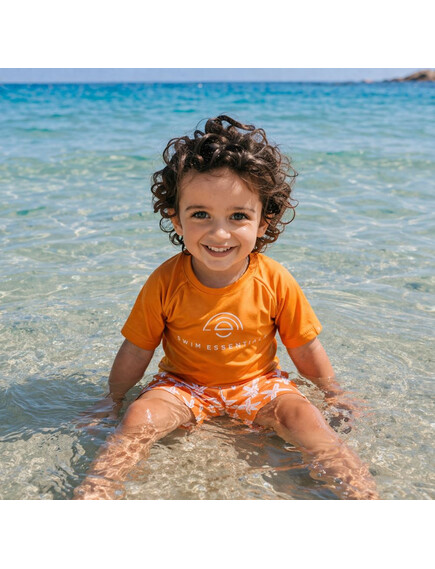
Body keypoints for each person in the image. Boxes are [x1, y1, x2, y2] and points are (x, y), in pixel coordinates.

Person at [74, 115, 378, 500]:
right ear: (176, 219)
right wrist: (113, 399)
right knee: (139, 417)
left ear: (263, 221)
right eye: (201, 214)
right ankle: (97, 491)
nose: (220, 233)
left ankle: (361, 495)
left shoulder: (275, 279)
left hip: (258, 383)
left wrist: (333, 393)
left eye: (238, 216)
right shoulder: (165, 281)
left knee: (305, 417)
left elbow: (304, 346)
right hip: (183, 385)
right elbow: (137, 349)